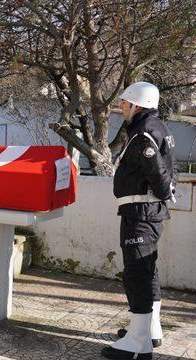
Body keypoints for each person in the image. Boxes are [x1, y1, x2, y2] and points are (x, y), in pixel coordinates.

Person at [101, 82, 178, 360]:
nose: (121, 107)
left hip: (140, 213)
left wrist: (158, 193)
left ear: (138, 105)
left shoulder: (144, 134)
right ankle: (150, 328)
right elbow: (171, 168)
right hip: (148, 212)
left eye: (124, 103)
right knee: (148, 270)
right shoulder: (160, 128)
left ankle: (138, 342)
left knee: (137, 273)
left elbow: (158, 173)